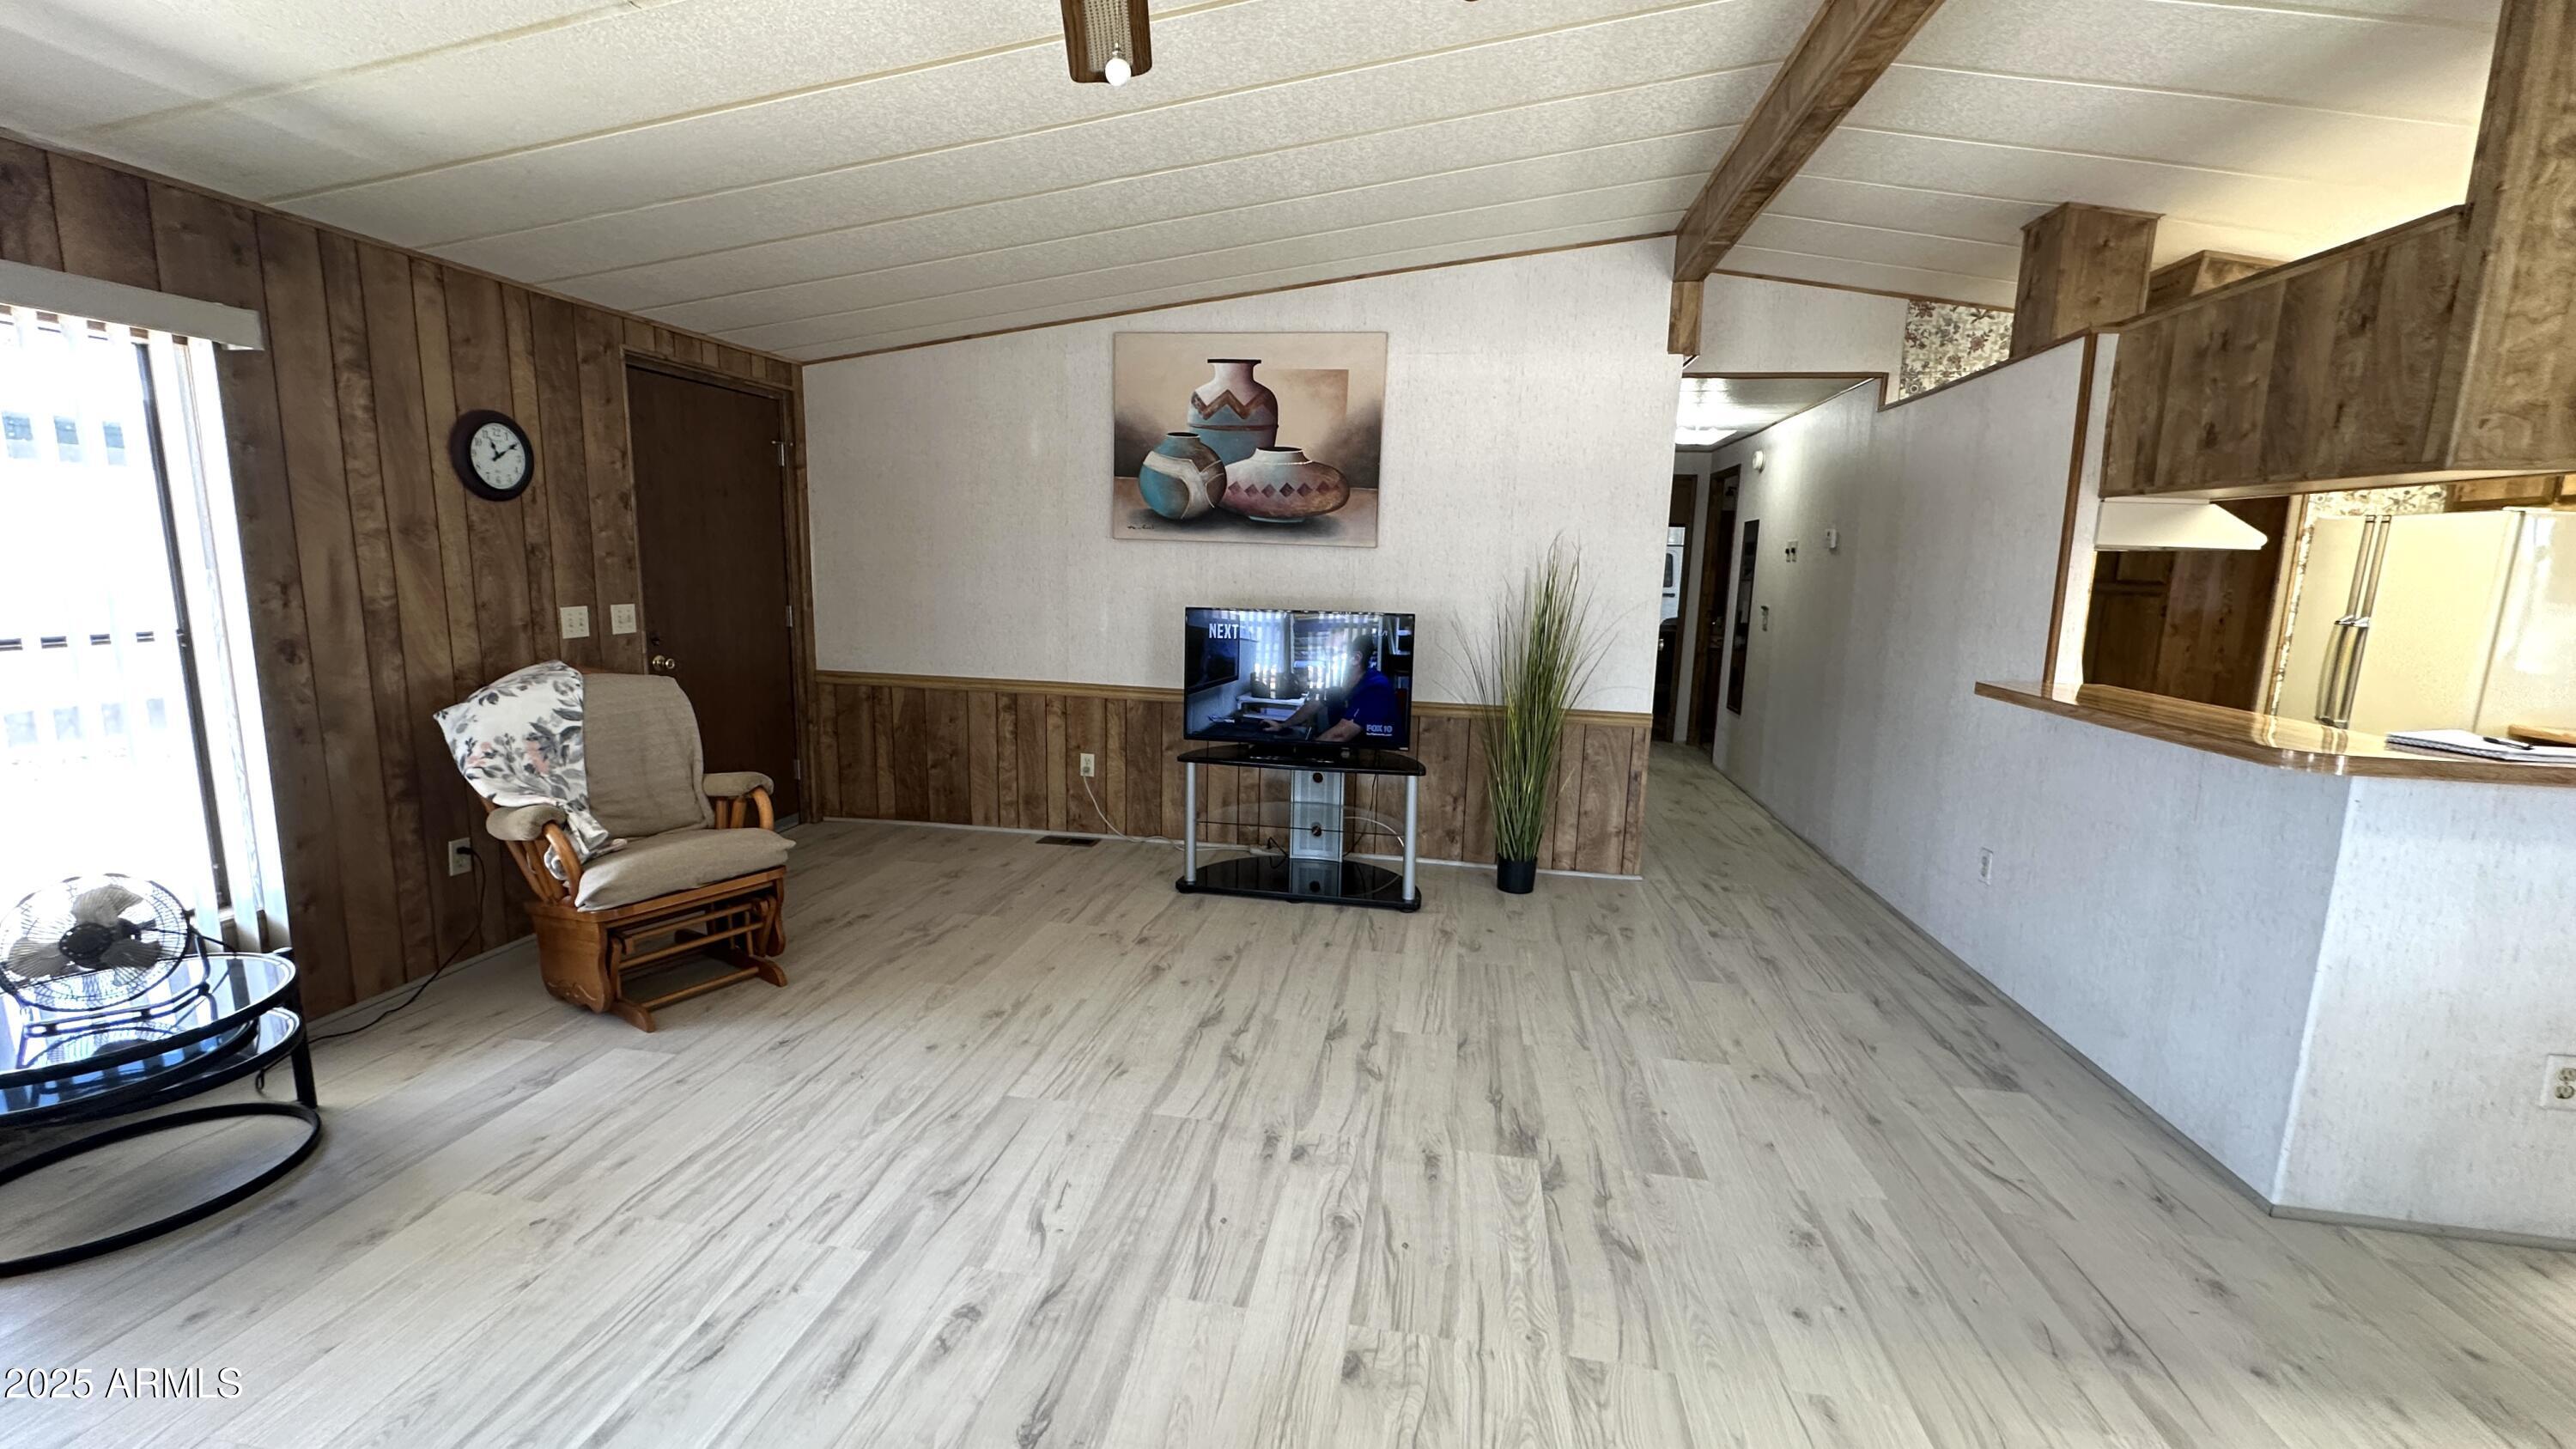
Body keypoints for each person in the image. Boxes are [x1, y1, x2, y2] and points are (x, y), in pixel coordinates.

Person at [1268, 642, 1400, 743]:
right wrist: (1282, 725)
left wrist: (1304, 753)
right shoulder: (1345, 684)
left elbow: (1341, 734)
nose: (1326, 659)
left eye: (1333, 653)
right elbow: (1314, 704)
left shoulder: (1376, 687)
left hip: (1377, 758)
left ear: (1355, 658)